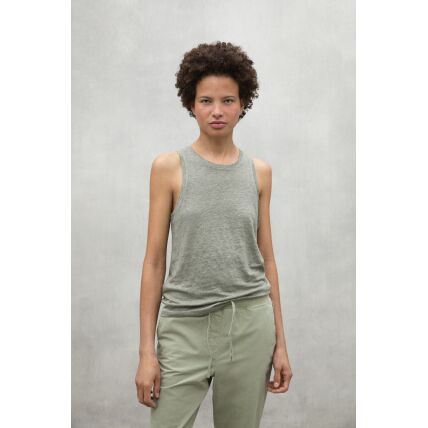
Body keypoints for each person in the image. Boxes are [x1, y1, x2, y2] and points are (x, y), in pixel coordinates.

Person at [135, 41, 292, 428]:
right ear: (191, 103)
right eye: (206, 101)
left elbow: (267, 260)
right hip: (183, 327)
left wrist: (281, 344)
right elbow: (154, 262)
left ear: (243, 104)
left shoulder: (259, 173)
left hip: (249, 324)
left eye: (228, 100)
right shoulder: (168, 168)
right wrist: (146, 352)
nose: (217, 111)